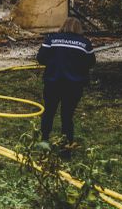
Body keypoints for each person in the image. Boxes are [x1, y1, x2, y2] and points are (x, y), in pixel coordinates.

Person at [36, 17, 95, 148]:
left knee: (49, 111)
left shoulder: (51, 39)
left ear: (63, 26)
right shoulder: (85, 43)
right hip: (74, 86)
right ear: (79, 28)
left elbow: (40, 58)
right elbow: (91, 62)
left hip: (53, 82)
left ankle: (44, 140)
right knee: (67, 115)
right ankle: (66, 144)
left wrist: (54, 63)